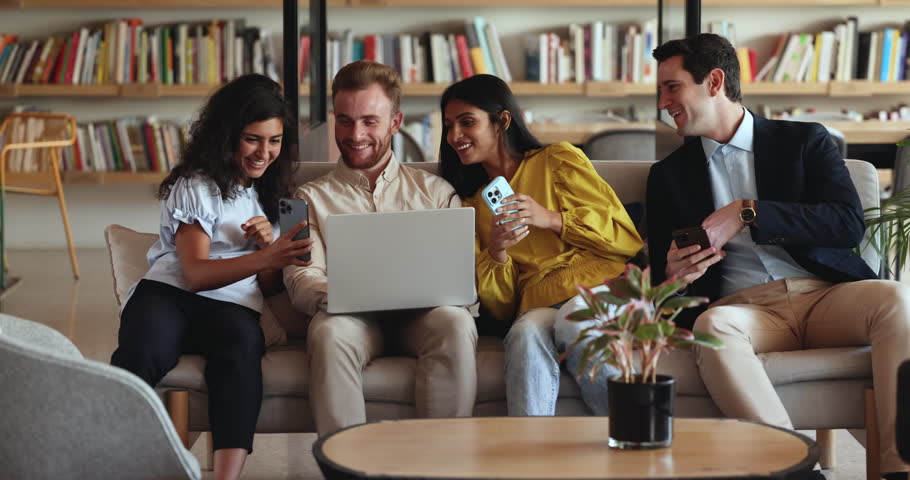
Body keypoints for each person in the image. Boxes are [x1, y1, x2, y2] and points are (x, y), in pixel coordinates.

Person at [647, 33, 910, 479]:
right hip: (744, 310)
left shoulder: (804, 141)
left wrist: (749, 212)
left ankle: (899, 469)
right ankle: (797, 470)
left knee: (897, 299)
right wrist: (672, 275)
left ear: (714, 82)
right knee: (713, 327)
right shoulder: (667, 176)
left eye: (672, 87)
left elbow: (847, 223)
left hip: (825, 296)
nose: (662, 102)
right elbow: (660, 283)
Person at [110, 74, 312, 480]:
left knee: (241, 351)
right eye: (253, 139)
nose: (264, 152)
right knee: (141, 352)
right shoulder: (197, 184)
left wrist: (267, 250)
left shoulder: (279, 196)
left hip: (234, 304)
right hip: (170, 294)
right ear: (227, 134)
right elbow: (196, 274)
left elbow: (270, 287)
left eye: (274, 141)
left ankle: (225, 477)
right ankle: (117, 462)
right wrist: (267, 255)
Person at [283, 60, 478, 436]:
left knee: (455, 321)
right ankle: (346, 467)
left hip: (422, 319)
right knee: (328, 332)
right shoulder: (307, 197)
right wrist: (339, 295)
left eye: (370, 121)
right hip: (350, 320)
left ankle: (444, 466)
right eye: (344, 120)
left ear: (395, 121)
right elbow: (301, 277)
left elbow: (462, 279)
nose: (355, 134)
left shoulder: (437, 192)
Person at [439, 74, 643, 416]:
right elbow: (502, 309)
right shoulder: (471, 205)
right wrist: (498, 252)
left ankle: (633, 429)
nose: (454, 136)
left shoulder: (557, 159)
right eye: (448, 125)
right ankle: (529, 455)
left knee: (573, 319)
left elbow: (623, 238)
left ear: (502, 120)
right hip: (540, 300)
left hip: (600, 286)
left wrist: (551, 218)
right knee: (522, 335)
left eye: (466, 122)